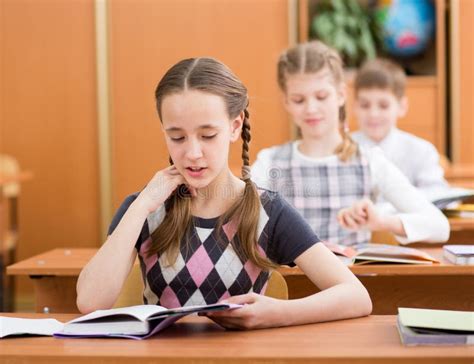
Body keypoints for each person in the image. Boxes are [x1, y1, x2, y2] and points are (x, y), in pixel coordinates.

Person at [76, 57, 372, 329]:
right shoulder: (143, 208)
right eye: (176, 136)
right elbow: (90, 302)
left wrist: (277, 313)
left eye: (207, 135)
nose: (192, 153)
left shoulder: (268, 211)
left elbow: (356, 296)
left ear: (234, 126)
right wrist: (141, 206)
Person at [251, 41, 449, 246]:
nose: (311, 109)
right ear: (286, 102)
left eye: (321, 97)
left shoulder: (370, 161)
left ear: (341, 95)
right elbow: (242, 224)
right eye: (299, 100)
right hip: (290, 277)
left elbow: (439, 227)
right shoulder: (269, 162)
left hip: (349, 278)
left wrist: (381, 221)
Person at [352, 58, 449, 201]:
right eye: (365, 105)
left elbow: (438, 193)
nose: (373, 114)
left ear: (402, 107)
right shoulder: (341, 149)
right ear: (355, 106)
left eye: (383, 106)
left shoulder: (421, 151)